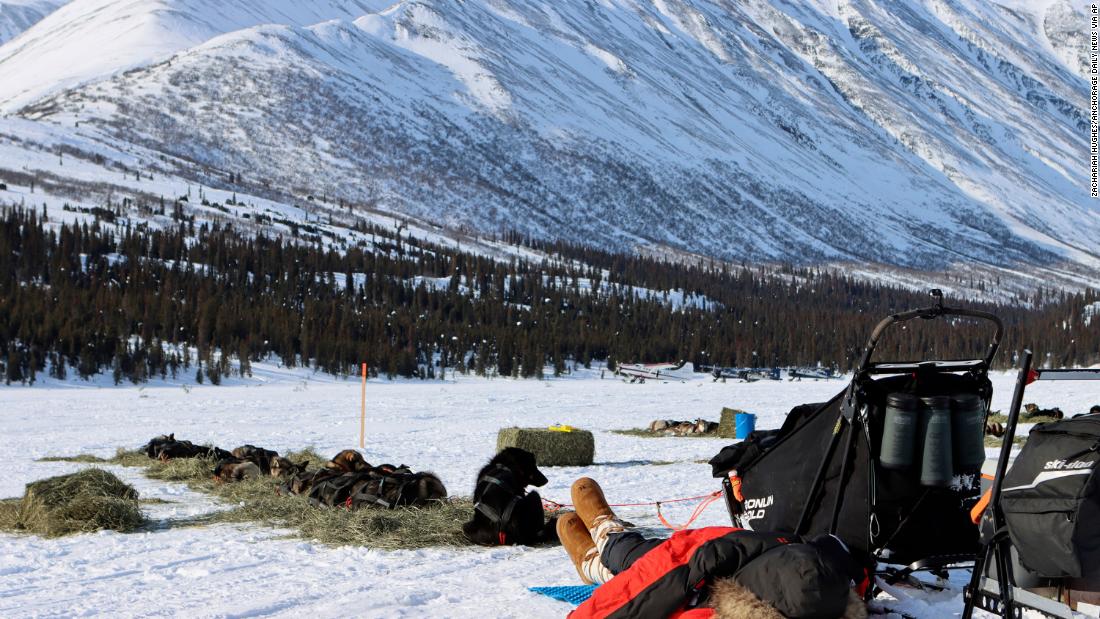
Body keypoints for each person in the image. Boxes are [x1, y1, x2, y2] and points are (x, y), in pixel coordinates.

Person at [558, 477, 868, 619]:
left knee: (637, 561)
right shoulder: (825, 581)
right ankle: (607, 540)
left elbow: (644, 591)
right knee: (647, 559)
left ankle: (603, 547)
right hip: (716, 556)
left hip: (712, 567)